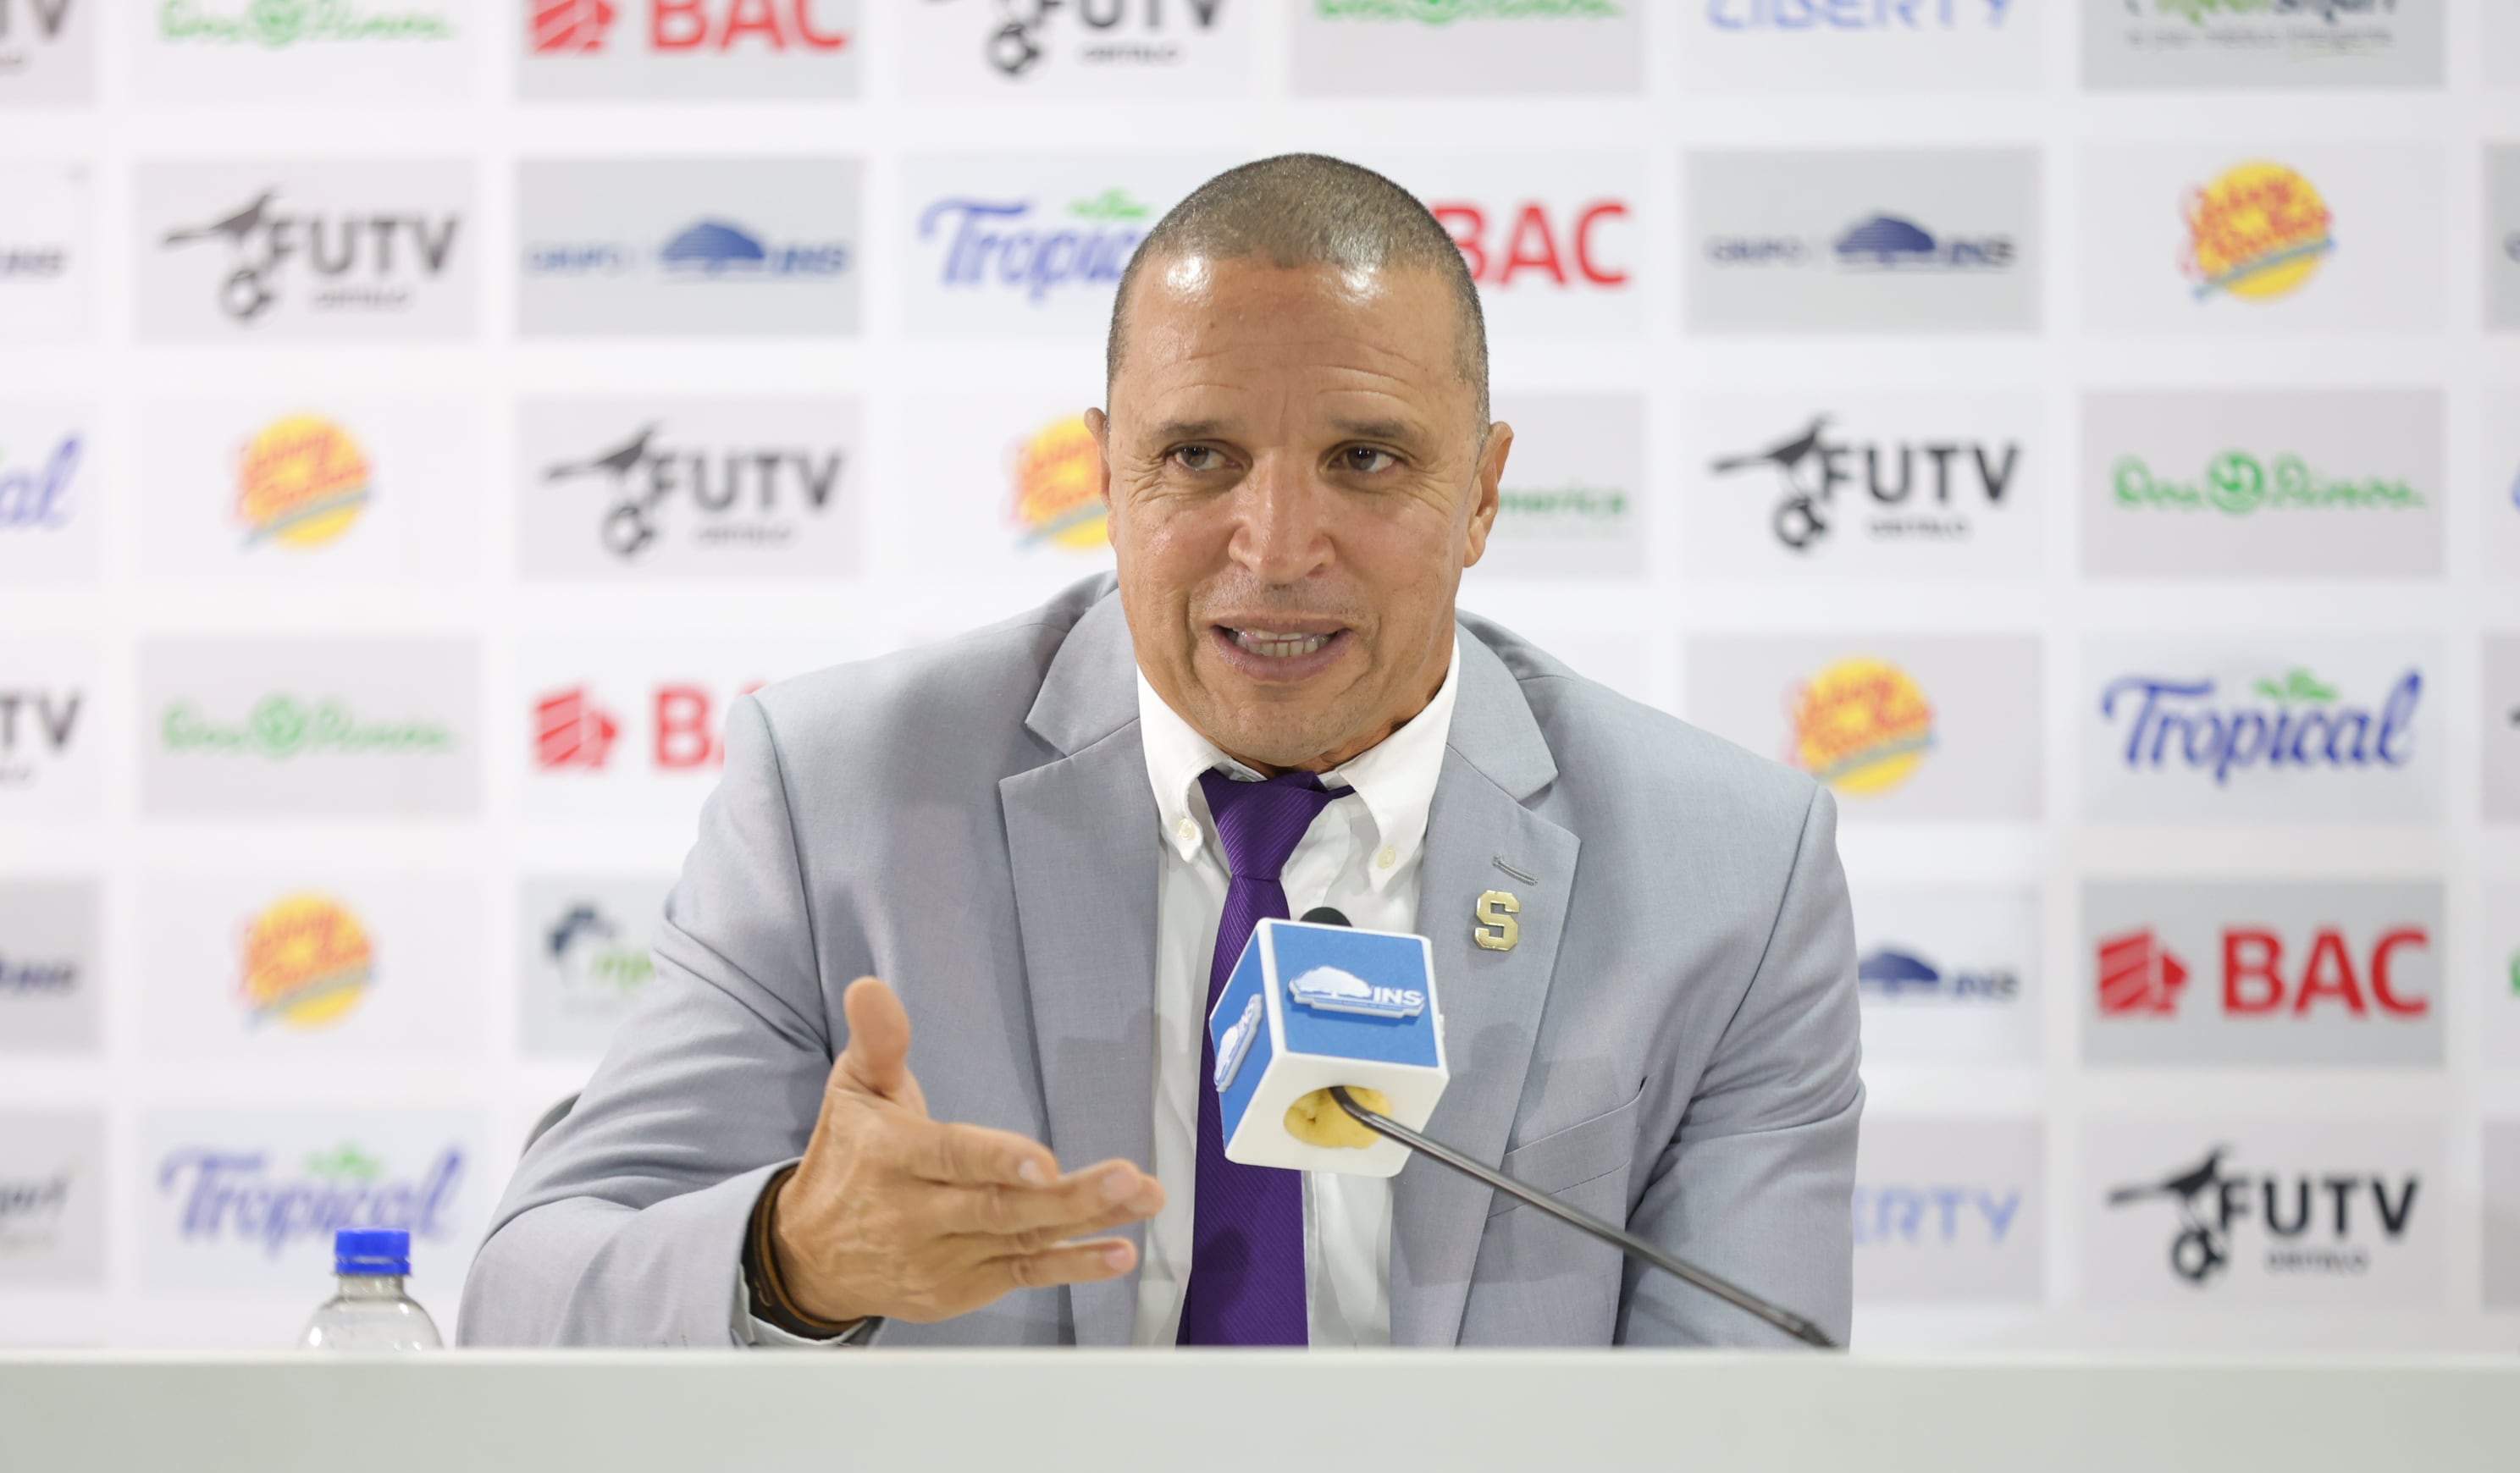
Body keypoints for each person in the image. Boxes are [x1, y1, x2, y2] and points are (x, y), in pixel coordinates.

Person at [461, 154, 1864, 1350]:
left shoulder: (1729, 876)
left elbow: (1739, 1433)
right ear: (1105, 477)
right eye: (1198, 457)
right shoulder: (837, 796)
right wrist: (791, 1258)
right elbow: (524, 1290)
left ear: (1483, 491)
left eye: (1367, 459)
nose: (1276, 548)